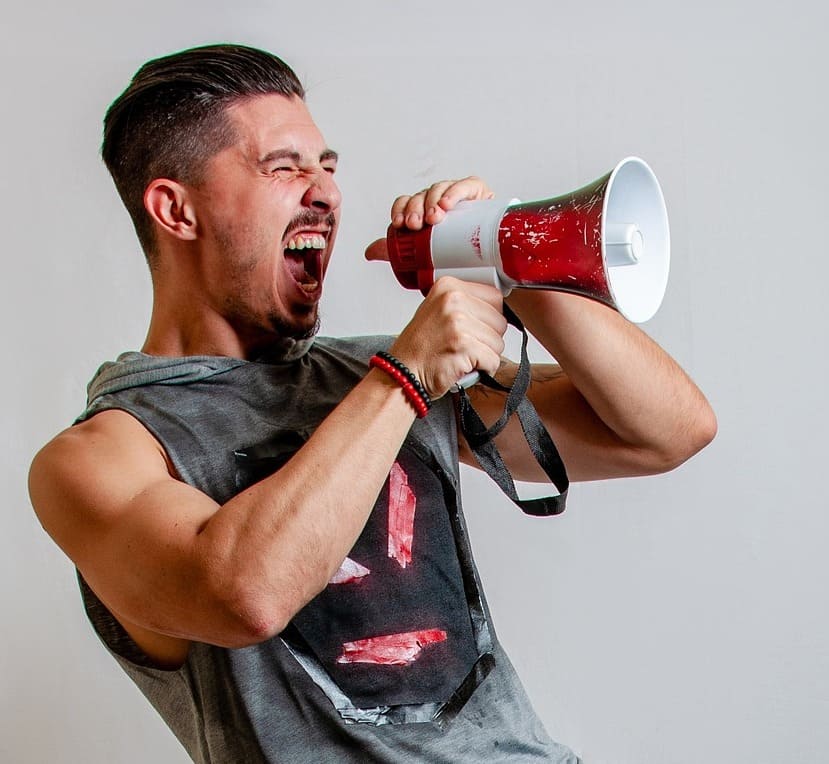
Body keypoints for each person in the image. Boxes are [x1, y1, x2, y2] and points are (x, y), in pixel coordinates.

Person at [28, 44, 716, 763]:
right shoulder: (98, 457)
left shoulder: (365, 372)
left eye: (327, 166)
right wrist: (405, 377)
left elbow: (666, 433)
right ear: (176, 209)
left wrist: (502, 251)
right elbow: (243, 595)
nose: (325, 192)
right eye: (283, 167)